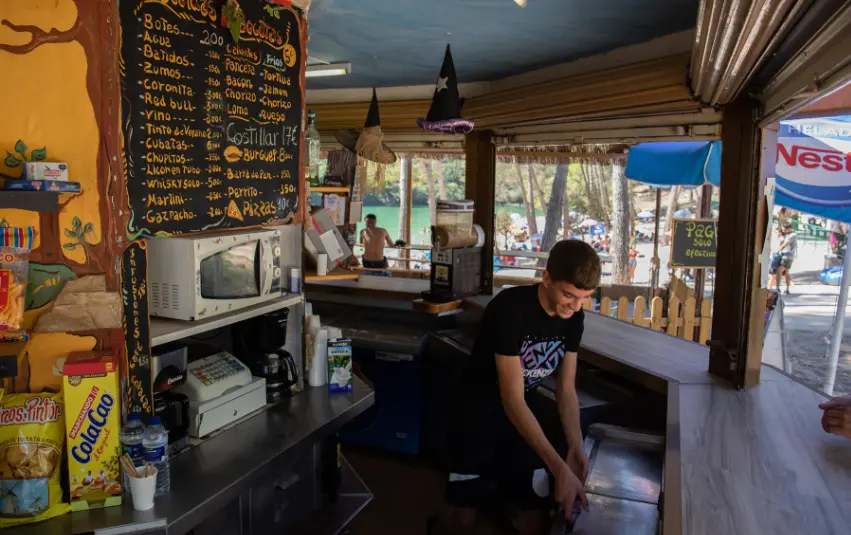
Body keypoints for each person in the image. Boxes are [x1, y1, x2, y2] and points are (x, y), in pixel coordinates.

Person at [431, 240, 600, 535]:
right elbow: (511, 398)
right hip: (477, 415)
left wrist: (575, 445)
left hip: (525, 418)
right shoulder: (509, 309)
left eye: (584, 299)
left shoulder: (574, 318)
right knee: (462, 517)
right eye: (568, 295)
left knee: (535, 508)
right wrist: (559, 467)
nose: (575, 307)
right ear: (546, 278)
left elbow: (566, 390)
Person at [776, 223, 797, 294]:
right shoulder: (787, 234)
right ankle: (787, 289)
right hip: (787, 256)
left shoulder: (792, 235)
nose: (783, 230)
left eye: (785, 229)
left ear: (789, 228)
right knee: (786, 273)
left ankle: (777, 288)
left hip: (787, 256)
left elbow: (785, 244)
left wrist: (777, 250)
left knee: (779, 271)